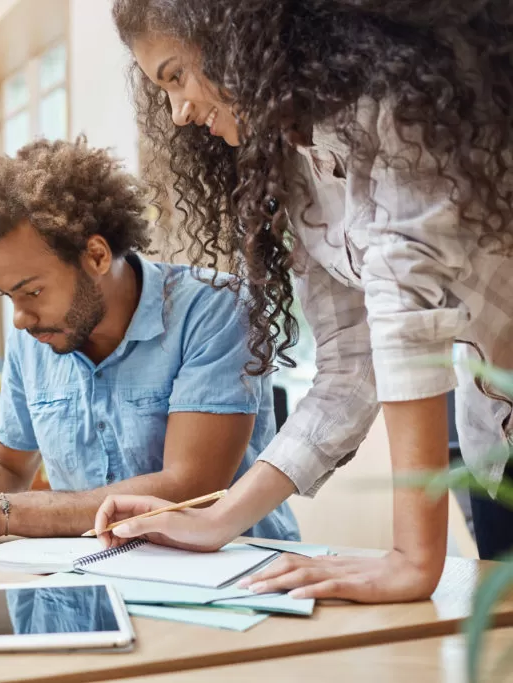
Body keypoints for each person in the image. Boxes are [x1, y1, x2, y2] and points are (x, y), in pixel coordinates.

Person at [96, 0, 513, 602]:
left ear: (233, 36)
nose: (178, 113)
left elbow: (406, 317)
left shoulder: (395, 100)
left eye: (176, 76)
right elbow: (350, 365)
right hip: (495, 447)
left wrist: (413, 557)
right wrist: (218, 517)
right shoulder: (291, 164)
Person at [0, 138, 299, 551]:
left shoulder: (215, 309)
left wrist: (5, 514)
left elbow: (190, 489)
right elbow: (6, 466)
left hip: (233, 573)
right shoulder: (34, 337)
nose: (20, 319)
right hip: (95, 570)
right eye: (9, 297)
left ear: (97, 256)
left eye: (33, 292)